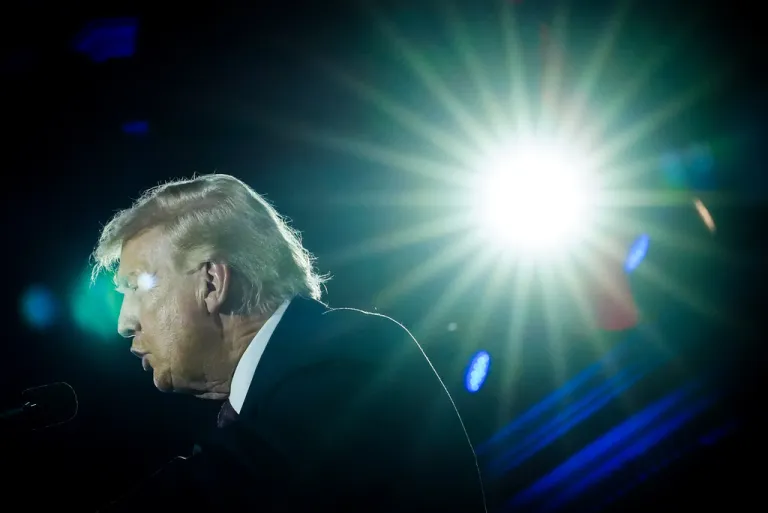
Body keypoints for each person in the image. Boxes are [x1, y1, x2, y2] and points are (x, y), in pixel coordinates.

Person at [93, 174, 486, 512]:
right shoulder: (281, 392)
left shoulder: (346, 359)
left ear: (211, 282)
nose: (124, 322)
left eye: (139, 284)